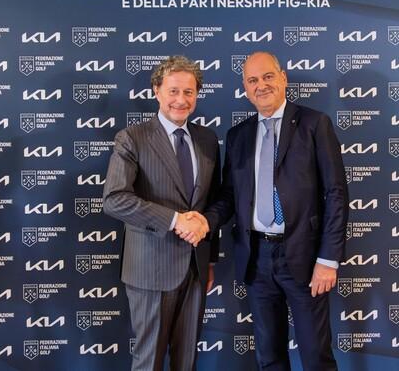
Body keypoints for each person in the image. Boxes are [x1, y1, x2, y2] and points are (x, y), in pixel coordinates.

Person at [205, 51, 348, 370]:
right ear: (245, 89)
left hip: (305, 256)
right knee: (269, 357)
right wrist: (204, 221)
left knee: (316, 356)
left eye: (268, 76)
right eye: (252, 80)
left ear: (283, 78)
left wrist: (328, 259)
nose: (261, 85)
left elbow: (336, 193)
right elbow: (229, 196)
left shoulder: (314, 124)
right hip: (256, 258)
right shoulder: (238, 135)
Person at [103, 55, 220, 371]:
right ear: (156, 91)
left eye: (189, 92)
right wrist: (174, 219)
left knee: (187, 362)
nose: (181, 100)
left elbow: (212, 201)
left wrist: (209, 260)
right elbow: (114, 199)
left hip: (195, 269)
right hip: (150, 269)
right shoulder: (133, 138)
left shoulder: (208, 139)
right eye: (173, 91)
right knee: (149, 361)